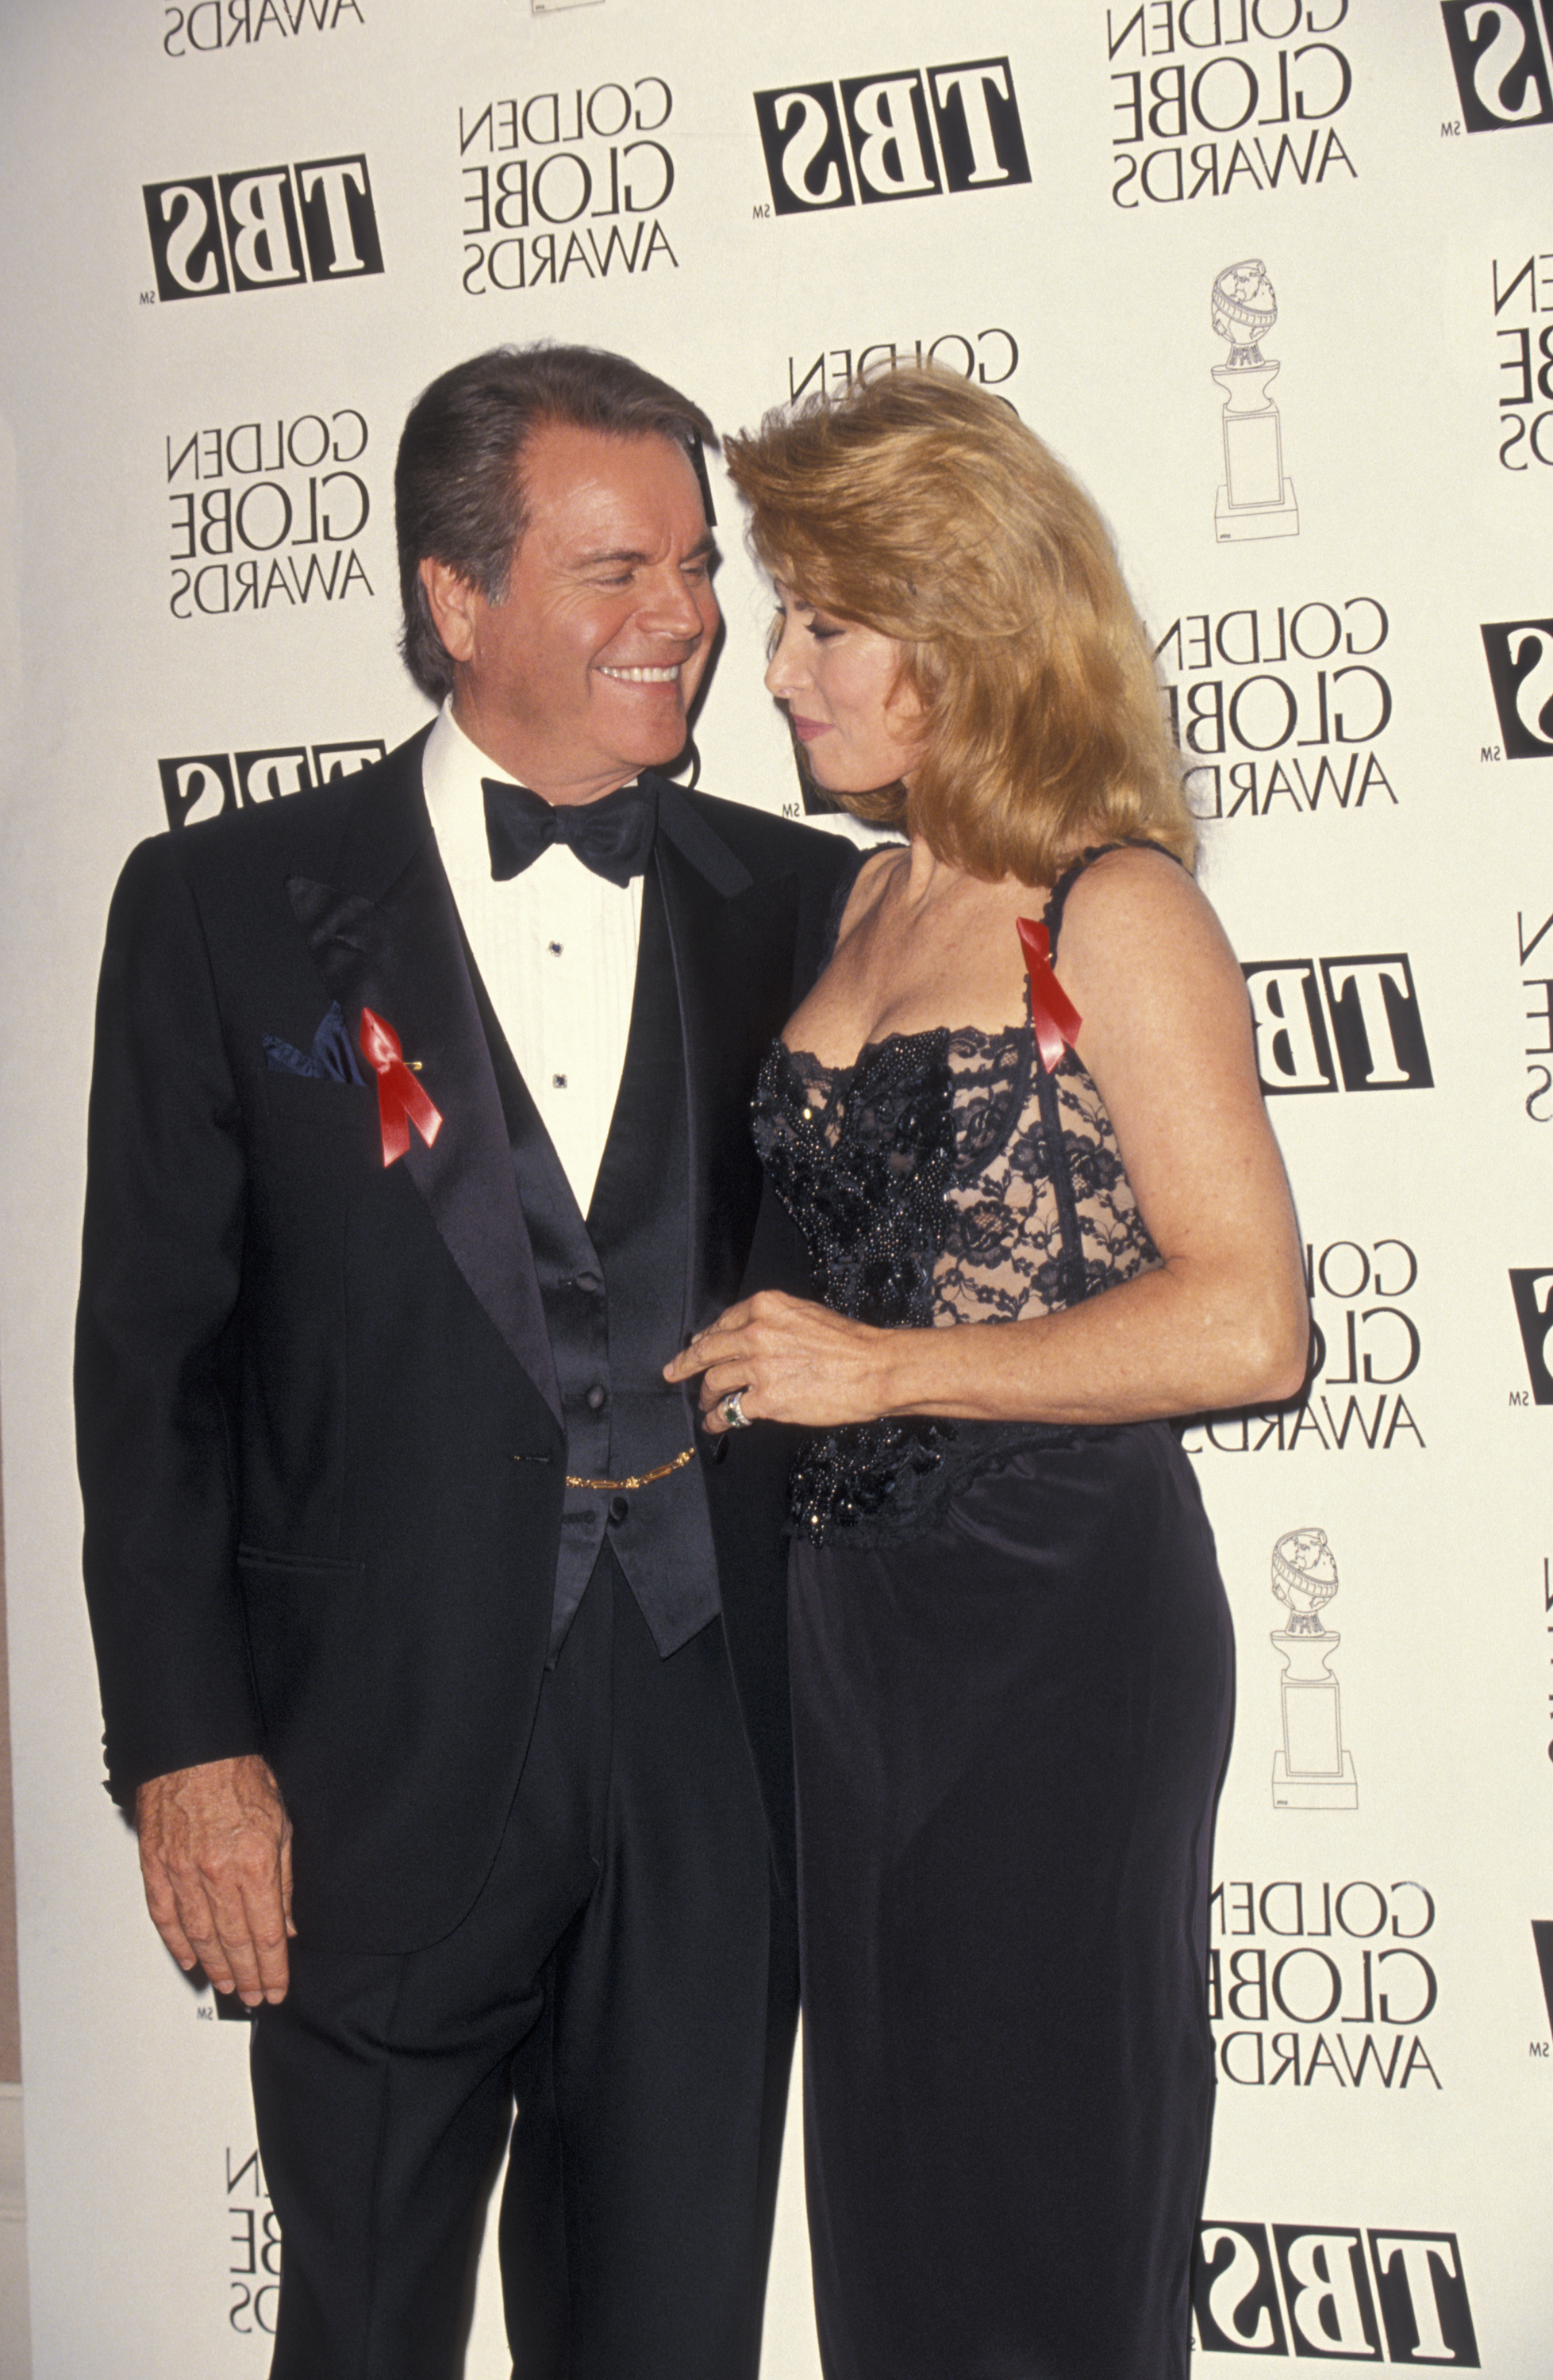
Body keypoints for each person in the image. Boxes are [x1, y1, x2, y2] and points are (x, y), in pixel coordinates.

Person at [75, 344, 860, 2380]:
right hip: (367, 1760)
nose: (684, 618)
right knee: (359, 2332)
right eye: (616, 570)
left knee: (668, 2333)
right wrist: (185, 1750)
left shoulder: (811, 904)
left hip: (714, 1756)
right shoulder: (226, 909)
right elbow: (148, 1371)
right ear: (454, 596)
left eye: (695, 566)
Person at [665, 365, 1309, 2380]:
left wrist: (881, 1372)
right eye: (780, 617)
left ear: (961, 632)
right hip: (847, 1640)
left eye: (824, 625)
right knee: (895, 2210)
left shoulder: (1112, 907)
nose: (771, 670)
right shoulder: (852, 897)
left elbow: (1251, 1323)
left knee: (1038, 2196)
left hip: (1049, 1630)